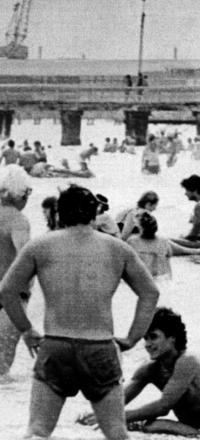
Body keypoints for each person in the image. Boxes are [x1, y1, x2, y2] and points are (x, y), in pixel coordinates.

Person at [0, 184, 159, 440]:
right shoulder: (117, 248)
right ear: (95, 213)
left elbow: (6, 291)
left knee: (38, 431)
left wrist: (27, 330)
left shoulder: (40, 246)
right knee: (116, 433)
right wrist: (132, 338)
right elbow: (150, 292)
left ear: (59, 214)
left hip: (56, 346)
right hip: (99, 347)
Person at [78, 307, 200, 435]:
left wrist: (115, 418)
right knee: (130, 425)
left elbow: (163, 406)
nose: (148, 344)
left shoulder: (188, 361)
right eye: (145, 338)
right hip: (187, 428)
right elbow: (118, 401)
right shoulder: (150, 369)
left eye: (153, 337)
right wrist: (97, 413)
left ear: (172, 338)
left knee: (150, 425)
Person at [0, 165, 32, 375]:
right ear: (21, 194)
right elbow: (25, 257)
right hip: (9, 297)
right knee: (2, 366)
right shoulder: (19, 220)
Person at [128, 213, 200, 281]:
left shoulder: (133, 241)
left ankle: (197, 251)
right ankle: (198, 251)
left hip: (145, 279)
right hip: (163, 278)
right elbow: (168, 265)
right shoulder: (163, 240)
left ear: (140, 228)